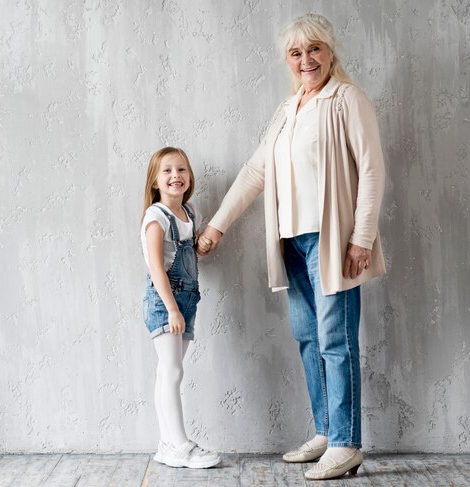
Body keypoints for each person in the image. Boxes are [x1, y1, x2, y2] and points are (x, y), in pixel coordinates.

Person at [199, 13, 386, 480]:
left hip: (331, 239)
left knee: (335, 340)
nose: (307, 60)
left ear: (330, 51)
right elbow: (255, 172)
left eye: (315, 49)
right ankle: (325, 431)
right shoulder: (287, 111)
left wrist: (361, 236)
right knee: (308, 339)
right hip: (290, 242)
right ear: (288, 60)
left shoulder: (346, 100)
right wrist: (218, 226)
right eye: (296, 53)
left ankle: (346, 443)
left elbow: (372, 169)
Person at [140, 147, 220, 469]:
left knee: (167, 372)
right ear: (155, 182)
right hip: (165, 302)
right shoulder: (156, 217)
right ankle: (181, 444)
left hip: (187, 300)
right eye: (167, 171)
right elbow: (157, 268)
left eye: (182, 170)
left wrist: (202, 242)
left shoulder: (189, 213)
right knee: (172, 371)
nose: (176, 176)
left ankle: (167, 445)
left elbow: (188, 253)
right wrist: (172, 310)